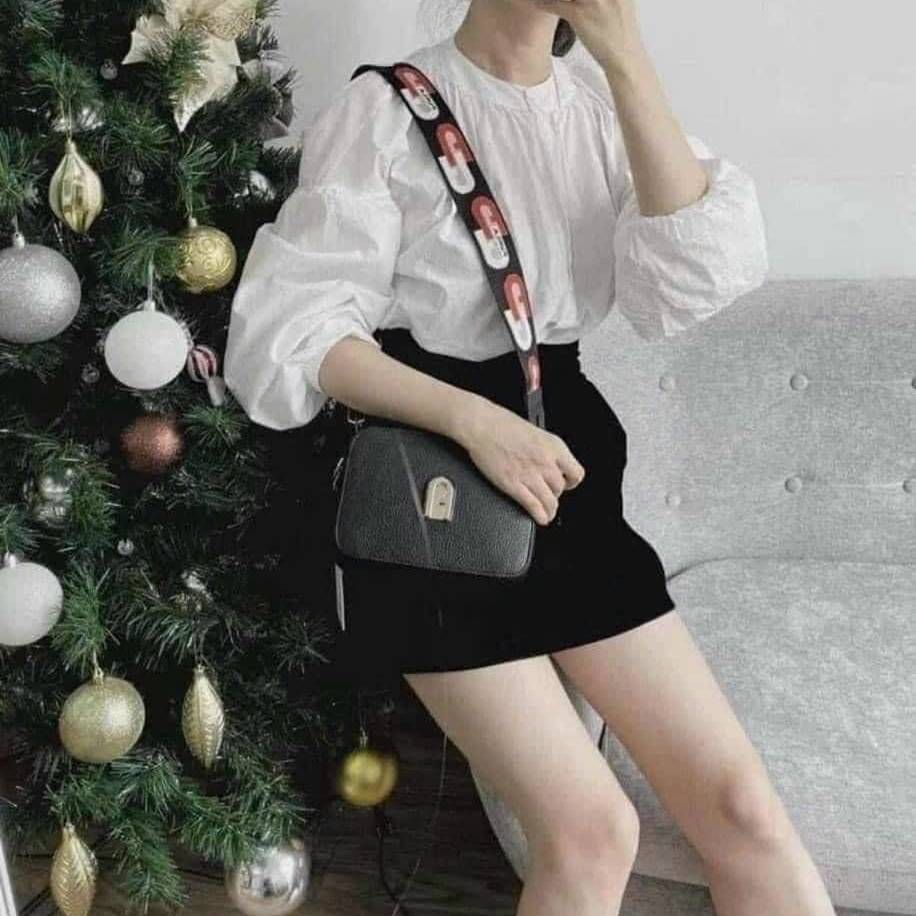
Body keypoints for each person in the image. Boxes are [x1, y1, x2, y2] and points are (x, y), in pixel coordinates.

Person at [224, 2, 837, 914]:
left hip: (566, 471)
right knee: (592, 833)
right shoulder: (387, 109)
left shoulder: (599, 108)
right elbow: (295, 337)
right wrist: (476, 421)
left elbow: (688, 281)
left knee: (743, 812)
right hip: (434, 493)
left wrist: (625, 56)